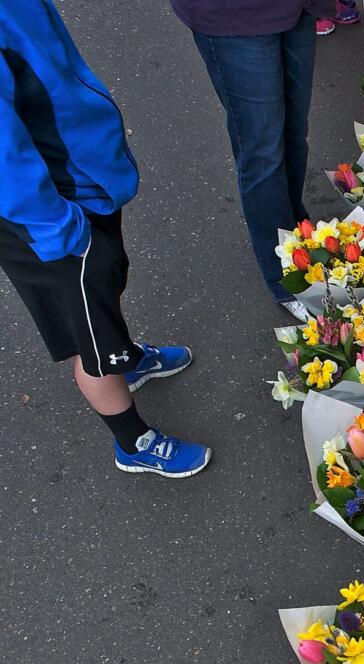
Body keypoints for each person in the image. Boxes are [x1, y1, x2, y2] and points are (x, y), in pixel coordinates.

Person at [0, 1, 211, 477]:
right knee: (88, 338)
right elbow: (3, 159)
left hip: (75, 183)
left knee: (103, 295)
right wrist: (59, 230)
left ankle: (126, 358)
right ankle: (132, 441)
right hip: (50, 212)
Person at [172, 0, 335, 322]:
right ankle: (285, 276)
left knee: (293, 133)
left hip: (298, 9)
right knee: (262, 150)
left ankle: (295, 235)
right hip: (235, 16)